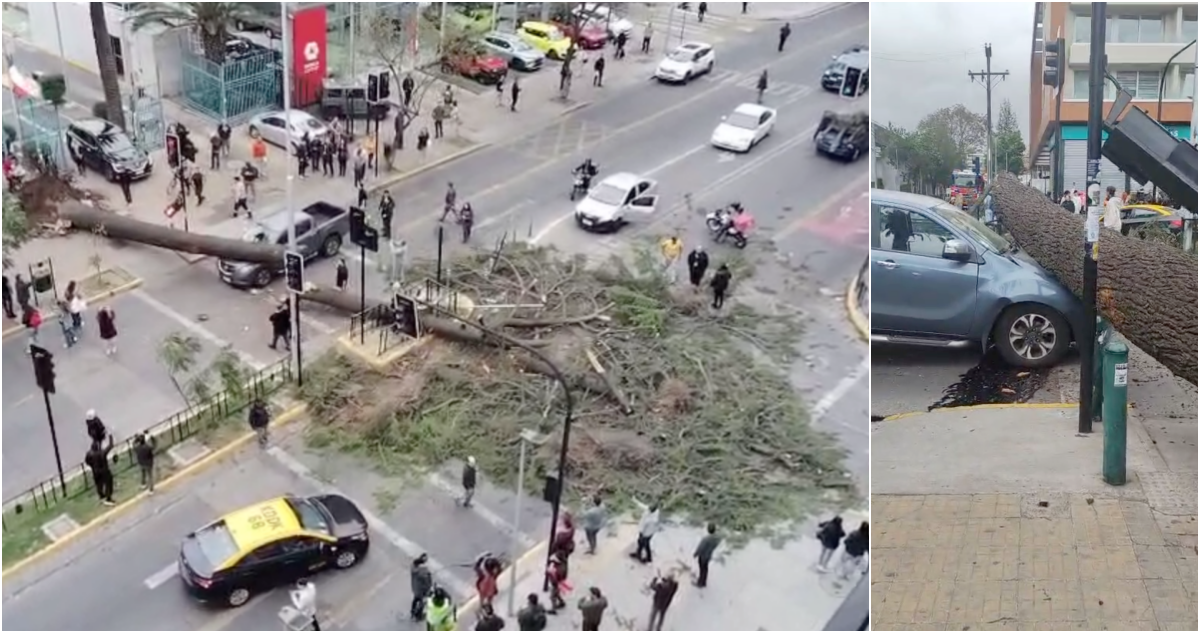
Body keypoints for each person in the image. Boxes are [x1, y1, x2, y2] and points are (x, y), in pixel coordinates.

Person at [85, 435, 116, 506]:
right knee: (109, 483)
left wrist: (92, 466)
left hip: (95, 472)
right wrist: (110, 437)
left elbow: (87, 461)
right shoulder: (102, 453)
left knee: (99, 485)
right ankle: (108, 498)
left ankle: (102, 496)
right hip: (104, 471)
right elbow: (111, 446)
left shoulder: (89, 454)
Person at [692, 523, 722, 587]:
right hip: (709, 555)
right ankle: (704, 581)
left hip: (703, 556)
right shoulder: (717, 538)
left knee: (702, 568)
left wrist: (696, 554)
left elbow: (701, 548)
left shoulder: (706, 539)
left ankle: (700, 583)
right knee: (705, 568)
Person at [411, 554, 434, 620]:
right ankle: (419, 616)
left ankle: (412, 611)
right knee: (422, 602)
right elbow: (427, 581)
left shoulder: (413, 568)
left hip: (415, 588)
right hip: (422, 590)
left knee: (416, 599)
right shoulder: (424, 571)